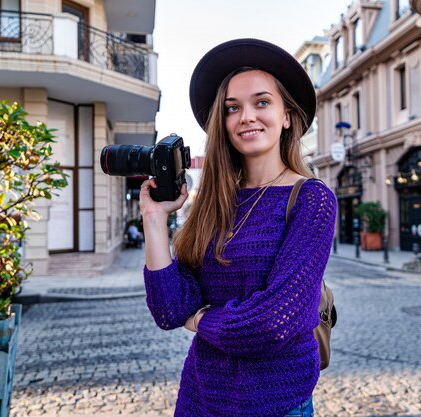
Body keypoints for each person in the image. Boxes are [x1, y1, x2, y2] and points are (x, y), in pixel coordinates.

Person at [139, 38, 336, 417]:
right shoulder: (213, 203)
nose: (247, 116)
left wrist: (199, 318)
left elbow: (272, 323)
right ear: (223, 122)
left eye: (262, 102)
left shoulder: (312, 199)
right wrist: (154, 218)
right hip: (201, 397)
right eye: (233, 108)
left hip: (276, 403)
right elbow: (168, 308)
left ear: (287, 116)